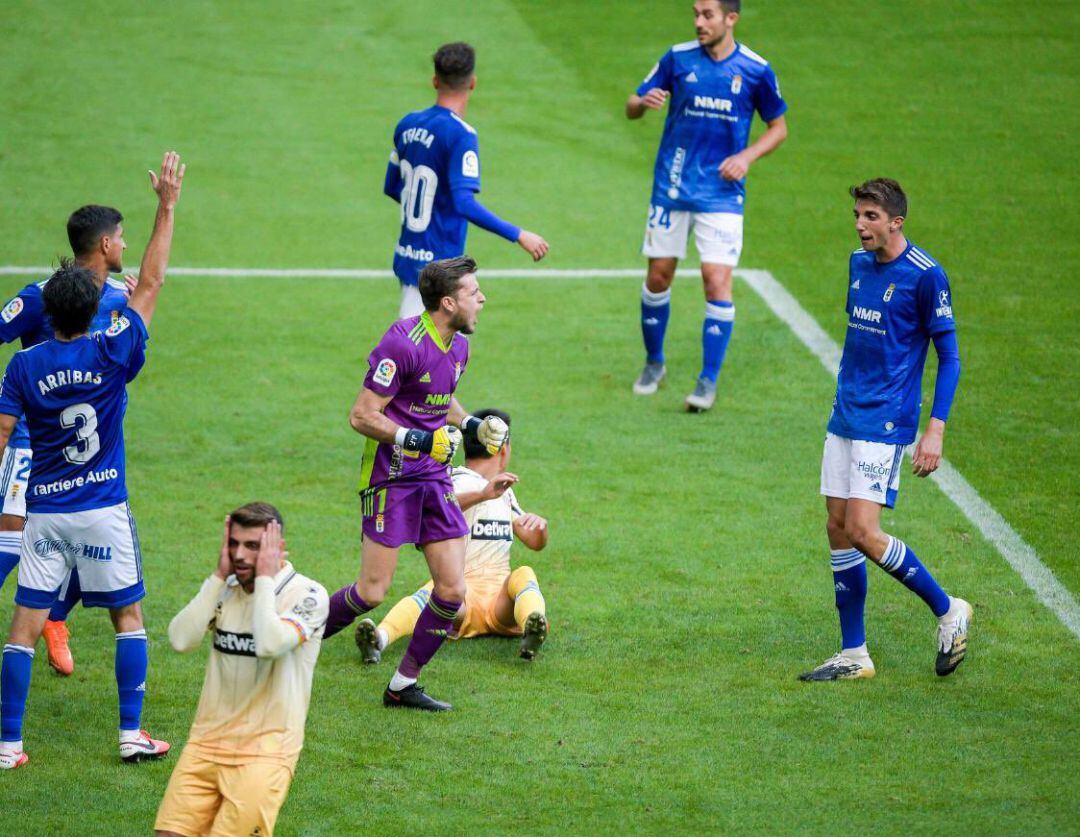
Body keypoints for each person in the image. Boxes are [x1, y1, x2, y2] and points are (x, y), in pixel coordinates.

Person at [0, 151, 184, 769]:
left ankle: (8, 743)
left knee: (22, 621)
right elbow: (153, 285)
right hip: (102, 497)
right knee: (128, 614)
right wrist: (168, 205)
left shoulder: (23, 366)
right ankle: (130, 733)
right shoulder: (115, 345)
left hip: (46, 496)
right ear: (104, 248)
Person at [800, 178, 971, 682]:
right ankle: (854, 654)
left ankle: (948, 609)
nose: (860, 224)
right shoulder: (857, 265)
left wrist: (935, 429)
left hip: (886, 419)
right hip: (846, 413)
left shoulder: (926, 275)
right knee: (836, 526)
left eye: (871, 217)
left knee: (863, 532)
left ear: (896, 221)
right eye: (857, 215)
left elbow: (950, 356)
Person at [323, 255, 509, 711]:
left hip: (432, 478)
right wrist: (420, 440)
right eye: (473, 293)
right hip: (391, 479)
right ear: (448, 302)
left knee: (451, 590)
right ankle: (284, 642)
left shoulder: (460, 347)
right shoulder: (401, 342)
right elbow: (361, 415)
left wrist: (470, 425)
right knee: (371, 592)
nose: (482, 298)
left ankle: (403, 685)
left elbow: (439, 396)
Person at [0, 205, 143, 676]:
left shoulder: (123, 298)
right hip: (27, 443)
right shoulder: (42, 297)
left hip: (90, 449)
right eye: (121, 236)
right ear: (104, 244)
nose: (125, 243)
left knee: (94, 538)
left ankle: (55, 618)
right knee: (9, 546)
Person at [627, 0, 788, 411]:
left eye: (708, 15)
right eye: (696, 14)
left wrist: (747, 157)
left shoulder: (755, 69)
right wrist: (641, 105)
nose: (699, 22)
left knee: (716, 281)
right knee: (658, 277)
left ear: (730, 18)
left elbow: (779, 127)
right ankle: (654, 362)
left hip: (721, 193)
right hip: (673, 186)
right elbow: (631, 104)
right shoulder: (677, 58)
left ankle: (707, 380)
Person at [154, 504, 328, 837]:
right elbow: (179, 639)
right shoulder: (226, 588)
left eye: (253, 546)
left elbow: (269, 644)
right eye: (234, 544)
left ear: (278, 548)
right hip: (205, 743)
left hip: (265, 753)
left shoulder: (307, 595)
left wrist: (264, 580)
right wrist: (217, 577)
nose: (241, 555)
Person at [355, 408, 549, 665]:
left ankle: (533, 628)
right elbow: (434, 510)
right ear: (504, 448)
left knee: (523, 573)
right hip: (461, 600)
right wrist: (482, 494)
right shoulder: (455, 481)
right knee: (436, 590)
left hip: (501, 604)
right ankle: (379, 638)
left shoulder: (504, 491)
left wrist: (540, 528)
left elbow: (534, 543)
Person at [385, 41, 549, 319]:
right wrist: (519, 234)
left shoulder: (407, 125)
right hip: (440, 270)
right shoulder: (461, 134)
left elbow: (392, 186)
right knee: (422, 357)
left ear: (435, 80)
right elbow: (464, 204)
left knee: (434, 356)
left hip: (408, 258)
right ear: (472, 83)